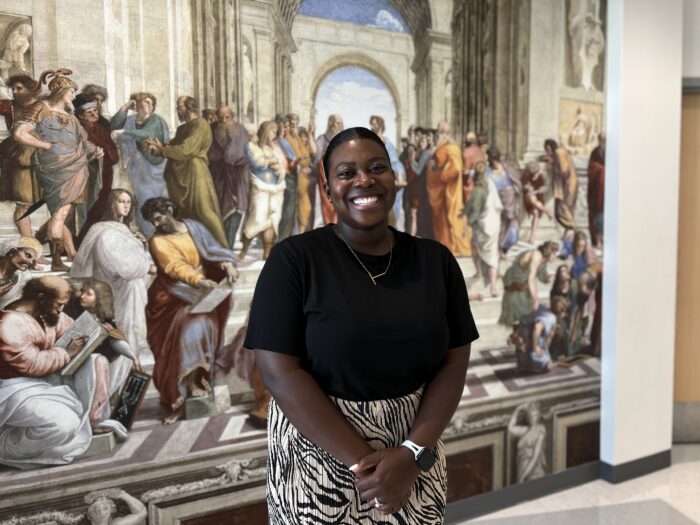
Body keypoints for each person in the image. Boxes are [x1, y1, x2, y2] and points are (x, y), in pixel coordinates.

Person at [244, 127, 479, 523]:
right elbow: (279, 373)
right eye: (346, 172)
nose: (364, 180)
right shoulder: (293, 260)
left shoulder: (436, 261)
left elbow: (454, 364)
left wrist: (411, 455)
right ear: (327, 185)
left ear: (394, 177)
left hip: (415, 456)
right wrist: (366, 467)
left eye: (376, 168)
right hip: (318, 464)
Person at [141, 197, 238, 424]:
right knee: (191, 328)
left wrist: (227, 264)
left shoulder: (193, 227)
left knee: (205, 325)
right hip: (172, 295)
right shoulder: (158, 241)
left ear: (169, 210)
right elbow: (174, 267)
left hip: (200, 292)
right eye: (151, 222)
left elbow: (212, 251)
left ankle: (197, 380)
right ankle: (186, 388)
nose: (155, 225)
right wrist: (198, 280)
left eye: (157, 218)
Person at [0, 276, 114, 468]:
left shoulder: (45, 312)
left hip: (43, 382)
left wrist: (95, 332)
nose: (61, 309)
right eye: (59, 304)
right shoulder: (10, 323)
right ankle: (7, 448)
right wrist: (65, 352)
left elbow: (69, 328)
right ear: (42, 297)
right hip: (13, 389)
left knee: (97, 362)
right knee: (63, 425)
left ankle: (92, 422)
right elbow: (32, 365)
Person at [12, 69, 104, 271]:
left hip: (75, 165)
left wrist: (94, 150)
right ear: (61, 91)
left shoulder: (69, 113)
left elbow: (81, 139)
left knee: (63, 213)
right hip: (54, 166)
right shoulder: (40, 108)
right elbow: (19, 132)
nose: (73, 95)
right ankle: (56, 260)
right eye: (71, 91)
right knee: (61, 213)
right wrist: (43, 145)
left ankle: (62, 254)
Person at [70, 189, 156, 358]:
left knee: (137, 284)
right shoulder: (104, 230)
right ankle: (131, 340)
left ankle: (137, 338)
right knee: (134, 284)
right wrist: (146, 267)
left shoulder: (127, 230)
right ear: (111, 203)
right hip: (110, 283)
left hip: (126, 281)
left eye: (128, 202)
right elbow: (117, 264)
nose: (126, 206)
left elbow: (133, 260)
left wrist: (143, 248)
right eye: (121, 201)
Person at [145, 96, 228, 248]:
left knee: (204, 210)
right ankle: (193, 248)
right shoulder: (182, 128)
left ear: (190, 107)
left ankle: (222, 248)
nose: (178, 110)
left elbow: (186, 150)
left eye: (180, 107)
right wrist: (158, 148)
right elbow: (172, 148)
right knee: (183, 213)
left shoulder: (201, 125)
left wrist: (163, 150)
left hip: (195, 173)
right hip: (178, 177)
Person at [64, 279, 144, 406]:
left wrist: (133, 357)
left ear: (99, 298)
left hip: (91, 361)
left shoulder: (105, 317)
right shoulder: (71, 310)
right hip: (69, 359)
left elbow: (117, 339)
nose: (83, 296)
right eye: (83, 292)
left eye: (88, 294)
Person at [110, 91, 170, 237]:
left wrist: (124, 131)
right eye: (146, 101)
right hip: (133, 166)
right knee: (131, 198)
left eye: (151, 102)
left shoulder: (155, 120)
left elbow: (146, 133)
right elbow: (113, 126)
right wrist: (125, 108)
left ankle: (153, 234)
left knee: (148, 198)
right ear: (136, 104)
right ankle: (139, 233)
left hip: (152, 168)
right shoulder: (130, 119)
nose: (149, 105)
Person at [0, 75, 42, 239]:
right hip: (19, 160)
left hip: (41, 160)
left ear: (31, 89)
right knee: (23, 205)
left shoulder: (42, 107)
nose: (15, 92)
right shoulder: (9, 107)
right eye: (13, 89)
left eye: (19, 88)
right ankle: (30, 246)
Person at [74, 95, 120, 246]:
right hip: (86, 175)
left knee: (100, 206)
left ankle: (91, 241)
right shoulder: (78, 129)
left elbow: (112, 151)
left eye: (95, 111)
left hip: (104, 173)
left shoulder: (100, 127)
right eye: (90, 113)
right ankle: (79, 243)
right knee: (86, 208)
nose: (95, 115)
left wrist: (106, 152)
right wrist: (93, 154)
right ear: (81, 115)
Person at [239, 121, 286, 260]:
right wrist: (271, 163)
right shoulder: (251, 146)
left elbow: (281, 167)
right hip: (259, 189)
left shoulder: (272, 149)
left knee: (272, 221)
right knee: (256, 220)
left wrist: (279, 169)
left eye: (275, 131)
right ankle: (244, 251)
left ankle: (267, 253)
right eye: (272, 131)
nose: (274, 134)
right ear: (265, 131)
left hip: (275, 190)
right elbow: (257, 164)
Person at [207, 105, 250, 249]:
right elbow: (209, 151)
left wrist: (230, 158)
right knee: (219, 210)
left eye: (227, 117)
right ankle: (222, 247)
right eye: (221, 117)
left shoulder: (241, 130)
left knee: (237, 209)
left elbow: (243, 153)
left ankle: (229, 247)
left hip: (238, 175)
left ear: (232, 117)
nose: (224, 120)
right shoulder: (211, 129)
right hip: (219, 176)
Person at [427, 121, 471, 255]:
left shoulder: (452, 148)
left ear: (446, 133)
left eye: (440, 132)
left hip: (449, 190)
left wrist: (437, 174)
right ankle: (446, 246)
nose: (439, 135)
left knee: (451, 217)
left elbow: (455, 170)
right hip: (441, 189)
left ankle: (454, 247)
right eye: (439, 132)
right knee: (442, 219)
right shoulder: (443, 146)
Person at [498, 241, 558, 326]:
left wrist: (549, 278)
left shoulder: (543, 261)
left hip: (525, 282)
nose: (556, 257)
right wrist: (535, 298)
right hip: (515, 279)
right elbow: (531, 278)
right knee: (523, 306)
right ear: (549, 252)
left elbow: (541, 276)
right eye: (554, 254)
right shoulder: (536, 256)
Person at [465, 161, 502, 296]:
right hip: (493, 224)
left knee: (474, 246)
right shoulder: (491, 184)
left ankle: (479, 272)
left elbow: (475, 210)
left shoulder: (478, 190)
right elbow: (497, 205)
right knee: (493, 256)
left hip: (483, 225)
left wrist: (468, 222)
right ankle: (493, 288)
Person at [370, 115, 407, 231]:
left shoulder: (387, 144)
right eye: (372, 124)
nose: (372, 126)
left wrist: (399, 175)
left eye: (375, 124)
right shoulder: (370, 143)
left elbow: (395, 163)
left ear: (380, 126)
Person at [486, 146, 522, 255]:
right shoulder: (488, 170)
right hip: (494, 202)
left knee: (509, 223)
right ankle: (497, 248)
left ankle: (503, 247)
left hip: (509, 201)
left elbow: (517, 183)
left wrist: (512, 191)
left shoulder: (506, 168)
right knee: (496, 225)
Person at [285, 113, 314, 233]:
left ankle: (301, 235)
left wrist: (307, 167)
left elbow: (309, 154)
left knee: (305, 208)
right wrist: (300, 167)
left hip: (303, 179)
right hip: (290, 178)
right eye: (292, 124)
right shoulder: (285, 138)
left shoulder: (298, 138)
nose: (294, 127)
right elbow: (287, 159)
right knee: (289, 210)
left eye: (296, 124)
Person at [543, 139, 578, 234]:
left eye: (547, 148)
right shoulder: (558, 153)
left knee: (563, 207)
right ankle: (570, 229)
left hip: (568, 183)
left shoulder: (559, 152)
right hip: (566, 183)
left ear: (551, 146)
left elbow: (564, 169)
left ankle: (573, 227)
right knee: (562, 208)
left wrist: (552, 162)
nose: (547, 151)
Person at [314, 114, 344, 226]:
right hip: (326, 175)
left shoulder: (344, 139)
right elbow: (316, 155)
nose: (335, 125)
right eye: (333, 122)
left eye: (337, 123)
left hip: (342, 176)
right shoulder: (322, 139)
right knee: (328, 204)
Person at [508, 402, 547, 483]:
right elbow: (511, 428)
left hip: (533, 468)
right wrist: (517, 409)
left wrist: (524, 476)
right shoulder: (525, 430)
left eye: (535, 415)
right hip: (521, 465)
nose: (533, 418)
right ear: (528, 417)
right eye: (531, 416)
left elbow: (535, 457)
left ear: (538, 416)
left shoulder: (540, 432)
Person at [0, 236, 42, 309]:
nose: (30, 262)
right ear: (12, 251)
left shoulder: (24, 277)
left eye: (33, 260)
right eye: (28, 255)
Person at [521, 160, 553, 244]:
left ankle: (532, 237)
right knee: (531, 198)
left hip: (538, 198)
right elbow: (524, 186)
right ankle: (547, 211)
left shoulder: (542, 176)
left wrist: (541, 189)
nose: (536, 174)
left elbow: (546, 187)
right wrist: (527, 188)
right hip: (528, 199)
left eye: (537, 173)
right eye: (534, 173)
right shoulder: (526, 176)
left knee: (536, 213)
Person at [587, 131, 605, 248]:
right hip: (597, 189)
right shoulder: (595, 152)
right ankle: (598, 240)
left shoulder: (613, 150)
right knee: (598, 215)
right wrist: (601, 170)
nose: (602, 141)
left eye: (604, 139)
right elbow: (591, 167)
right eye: (600, 139)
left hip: (607, 189)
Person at [461, 131, 486, 206]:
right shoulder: (480, 152)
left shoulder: (466, 152)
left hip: (469, 186)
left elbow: (464, 172)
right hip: (481, 185)